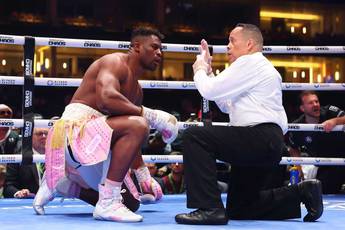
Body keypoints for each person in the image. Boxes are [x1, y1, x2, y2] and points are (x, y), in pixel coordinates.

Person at [175, 23, 323, 225]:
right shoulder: (259, 67)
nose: (227, 46)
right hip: (266, 142)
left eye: (232, 41)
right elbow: (226, 105)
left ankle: (209, 208)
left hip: (258, 138)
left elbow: (209, 91)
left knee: (195, 136)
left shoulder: (250, 63)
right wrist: (208, 73)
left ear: (249, 44)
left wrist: (199, 70)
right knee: (241, 207)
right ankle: (300, 193)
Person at [33, 27, 179, 222]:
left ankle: (66, 185)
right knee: (139, 123)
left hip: (96, 143)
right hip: (74, 133)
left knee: (131, 202)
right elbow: (106, 99)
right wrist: (153, 116)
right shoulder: (115, 62)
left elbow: (129, 135)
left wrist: (144, 176)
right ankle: (107, 203)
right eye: (154, 47)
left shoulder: (137, 91)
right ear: (136, 46)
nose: (159, 53)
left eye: (161, 49)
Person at [287, 91, 345, 194]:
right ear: (302, 108)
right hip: (326, 165)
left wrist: (335, 121)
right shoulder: (298, 126)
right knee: (324, 189)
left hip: (342, 156)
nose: (315, 105)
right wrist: (298, 167)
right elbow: (293, 148)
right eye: (310, 103)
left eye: (316, 101)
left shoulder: (329, 111)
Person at [3, 123, 49, 198]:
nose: (43, 137)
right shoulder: (18, 157)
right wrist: (19, 193)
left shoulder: (59, 157)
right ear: (30, 137)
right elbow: (8, 187)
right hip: (28, 202)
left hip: (57, 201)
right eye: (39, 134)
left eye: (46, 134)